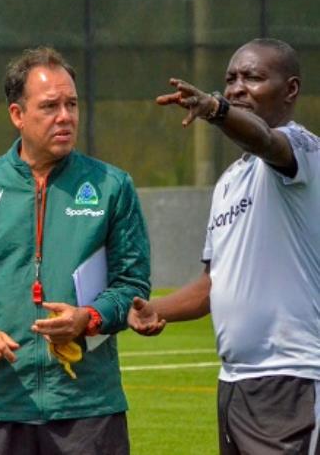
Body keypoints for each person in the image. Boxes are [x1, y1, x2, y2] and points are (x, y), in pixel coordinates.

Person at [0, 46, 151, 455]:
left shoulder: (113, 186)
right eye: (50, 106)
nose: (66, 116)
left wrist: (89, 318)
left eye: (72, 104)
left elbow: (131, 282)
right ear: (17, 115)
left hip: (88, 407)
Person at [129, 38, 320, 455]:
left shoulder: (303, 150)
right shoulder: (230, 182)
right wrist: (153, 309)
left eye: (253, 77)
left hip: (294, 381)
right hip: (234, 384)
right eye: (230, 79)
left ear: (290, 89)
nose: (236, 88)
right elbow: (211, 285)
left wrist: (217, 111)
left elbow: (268, 143)